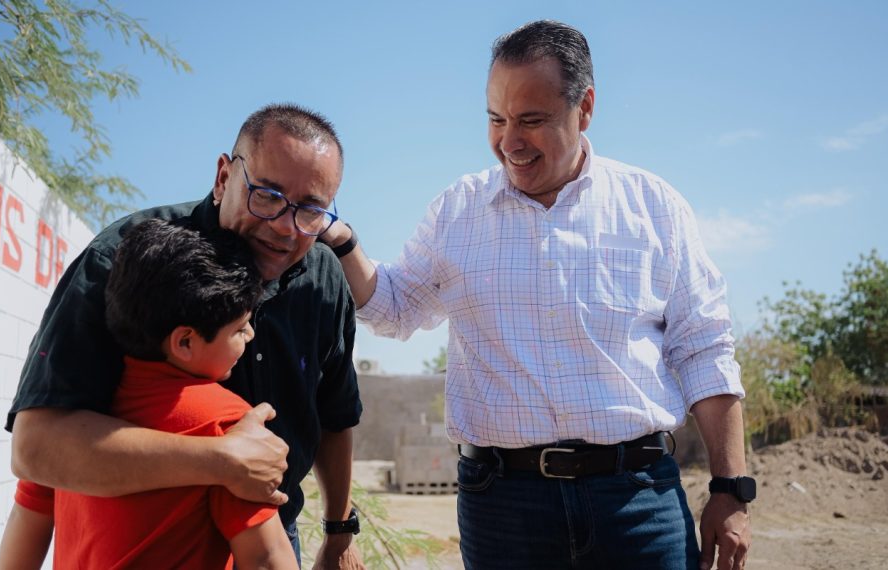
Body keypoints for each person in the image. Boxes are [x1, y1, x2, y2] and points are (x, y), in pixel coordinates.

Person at [320, 20, 752, 570]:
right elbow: (395, 306)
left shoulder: (654, 208)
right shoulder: (458, 211)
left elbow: (704, 351)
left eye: (531, 120)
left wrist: (731, 489)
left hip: (638, 501)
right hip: (503, 507)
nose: (509, 141)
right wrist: (342, 242)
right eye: (496, 120)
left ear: (585, 107)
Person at [6, 104, 365, 567]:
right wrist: (223, 461)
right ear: (223, 178)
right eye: (268, 195)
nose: (284, 226)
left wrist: (338, 532)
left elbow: (333, 414)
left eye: (310, 211)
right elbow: (37, 450)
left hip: (272, 527)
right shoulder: (127, 261)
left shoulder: (323, 279)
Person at [0, 219, 297, 569]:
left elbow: (27, 517)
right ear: (185, 341)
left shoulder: (75, 415)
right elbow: (265, 558)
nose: (249, 336)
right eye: (239, 328)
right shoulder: (227, 424)